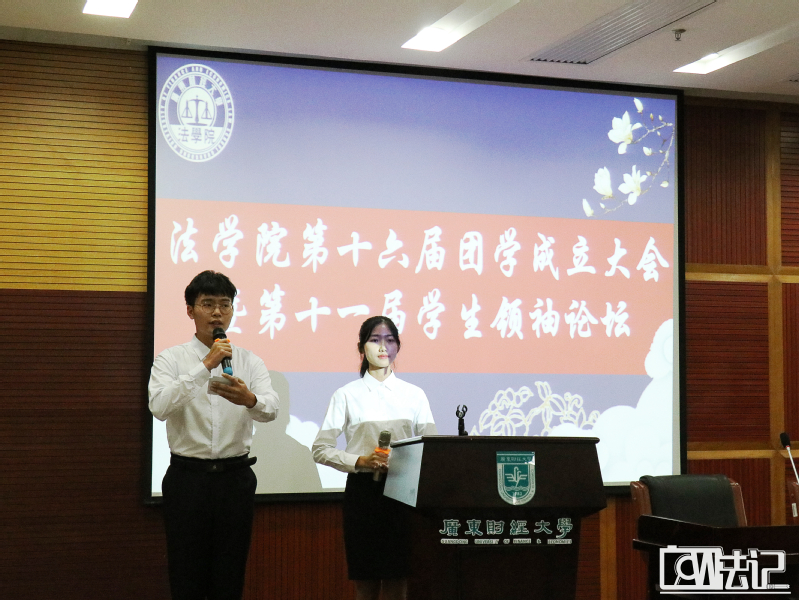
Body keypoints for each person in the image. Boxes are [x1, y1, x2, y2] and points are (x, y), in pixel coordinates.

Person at [149, 270, 279, 600]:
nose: (218, 312)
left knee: (229, 575)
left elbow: (271, 409)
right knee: (186, 574)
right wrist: (204, 366)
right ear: (190, 310)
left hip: (235, 480)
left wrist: (250, 399)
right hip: (187, 480)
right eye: (207, 304)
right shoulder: (170, 359)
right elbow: (159, 406)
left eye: (225, 304)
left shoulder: (249, 361)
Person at [312, 315, 437, 600]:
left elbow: (430, 447)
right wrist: (360, 461)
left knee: (398, 579)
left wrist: (407, 462)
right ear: (361, 348)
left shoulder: (414, 395)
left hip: (403, 494)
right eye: (374, 340)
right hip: (363, 494)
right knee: (366, 581)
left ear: (397, 347)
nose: (383, 347)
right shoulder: (346, 395)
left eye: (390, 340)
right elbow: (320, 448)